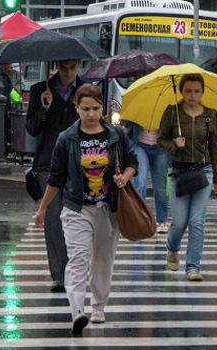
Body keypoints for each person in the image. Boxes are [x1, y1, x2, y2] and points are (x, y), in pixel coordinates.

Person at [33, 84, 138, 335]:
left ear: (103, 107)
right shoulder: (67, 138)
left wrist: (125, 176)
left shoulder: (116, 134)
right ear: (77, 108)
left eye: (96, 108)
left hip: (108, 207)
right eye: (85, 109)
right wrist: (43, 208)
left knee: (103, 259)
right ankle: (77, 311)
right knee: (78, 260)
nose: (91, 114)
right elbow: (56, 178)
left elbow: (132, 161)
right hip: (77, 207)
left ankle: (98, 307)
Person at [26, 59, 83, 293]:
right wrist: (44, 108)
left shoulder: (85, 90)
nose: (68, 73)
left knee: (77, 220)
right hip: (48, 163)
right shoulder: (41, 90)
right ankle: (60, 275)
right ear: (57, 67)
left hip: (78, 163)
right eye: (64, 68)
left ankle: (76, 270)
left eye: (73, 68)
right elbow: (31, 128)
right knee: (53, 220)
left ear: (79, 66)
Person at [157, 73, 217, 282]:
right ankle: (172, 247)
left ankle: (193, 266)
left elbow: (214, 146)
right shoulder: (172, 112)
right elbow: (161, 140)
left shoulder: (210, 114)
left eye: (196, 91)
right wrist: (174, 145)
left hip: (203, 172)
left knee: (197, 221)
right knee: (178, 222)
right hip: (178, 172)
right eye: (188, 91)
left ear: (202, 92)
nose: (192, 95)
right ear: (182, 92)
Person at [125, 120, 171, 233]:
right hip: (139, 145)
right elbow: (126, 121)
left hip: (161, 148)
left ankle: (161, 220)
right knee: (139, 182)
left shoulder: (167, 107)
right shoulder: (139, 105)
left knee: (161, 186)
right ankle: (140, 220)